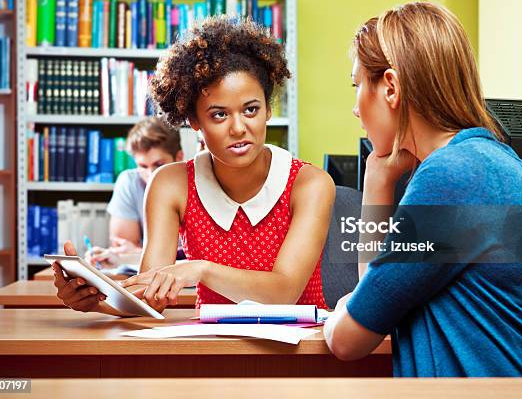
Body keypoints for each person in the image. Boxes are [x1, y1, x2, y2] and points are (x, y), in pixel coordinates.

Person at [323, 2, 522, 377]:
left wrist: (342, 311)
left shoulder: (453, 177)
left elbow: (348, 338)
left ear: (390, 87)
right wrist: (378, 180)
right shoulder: (483, 160)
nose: (356, 108)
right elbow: (374, 299)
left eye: (358, 85)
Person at [52, 16, 334, 314]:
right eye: (219, 115)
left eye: (251, 110)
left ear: (268, 110)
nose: (239, 128)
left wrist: (200, 269)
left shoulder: (309, 183)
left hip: (301, 349)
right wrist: (93, 300)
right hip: (211, 347)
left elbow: (284, 292)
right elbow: (149, 298)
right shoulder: (171, 184)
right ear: (194, 121)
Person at [84, 117, 184, 269]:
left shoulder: (199, 182)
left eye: (159, 165)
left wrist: (137, 252)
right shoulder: (129, 182)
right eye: (143, 166)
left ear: (179, 157)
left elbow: (201, 257)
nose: (151, 174)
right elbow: (123, 249)